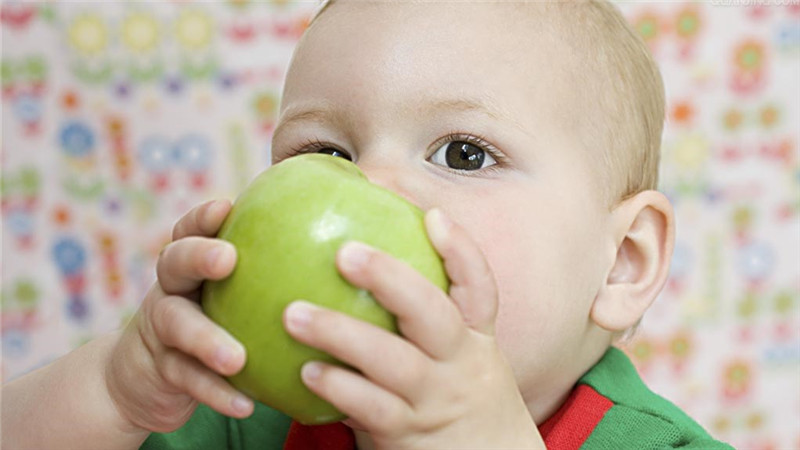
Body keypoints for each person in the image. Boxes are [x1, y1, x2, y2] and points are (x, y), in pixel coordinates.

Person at [1, 1, 733, 449]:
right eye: (326, 152)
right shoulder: (243, 414)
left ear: (622, 263)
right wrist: (112, 391)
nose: (370, 184)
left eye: (464, 153)